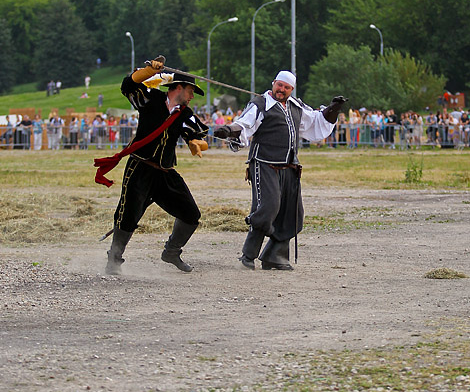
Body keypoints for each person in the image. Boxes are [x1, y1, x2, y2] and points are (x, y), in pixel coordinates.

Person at [214, 70, 346, 271]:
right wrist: (229, 130)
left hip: (290, 167)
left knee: (292, 213)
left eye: (286, 87)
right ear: (273, 83)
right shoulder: (260, 104)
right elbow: (244, 124)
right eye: (279, 85)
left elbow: (316, 121)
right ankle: (248, 255)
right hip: (264, 164)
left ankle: (275, 256)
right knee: (268, 208)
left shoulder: (296, 106)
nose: (281, 90)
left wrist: (333, 109)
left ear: (291, 90)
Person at [104, 56, 209, 276]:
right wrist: (149, 71)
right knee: (128, 215)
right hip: (140, 167)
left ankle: (171, 251)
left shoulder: (185, 113)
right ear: (178, 88)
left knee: (191, 214)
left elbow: (196, 133)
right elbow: (128, 85)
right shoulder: (151, 100)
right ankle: (114, 258)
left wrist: (196, 143)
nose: (191, 97)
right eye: (190, 91)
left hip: (165, 173)